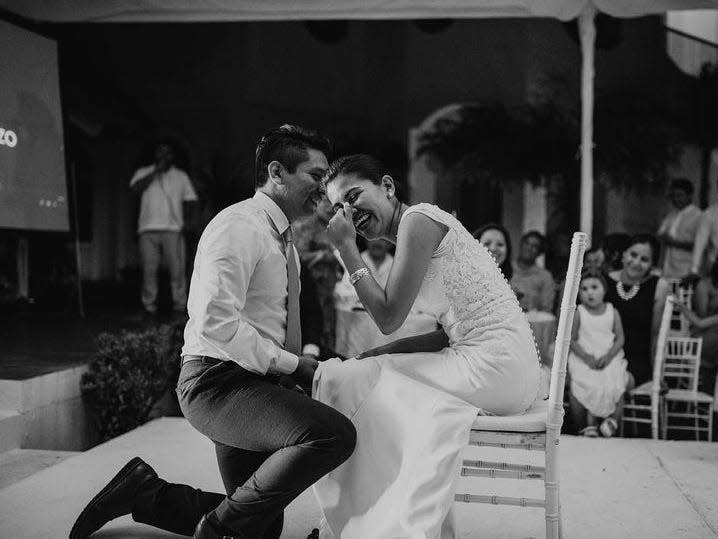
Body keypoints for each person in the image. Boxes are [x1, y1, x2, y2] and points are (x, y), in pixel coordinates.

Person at [70, 125, 356, 539]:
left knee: (261, 529)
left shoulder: (286, 243)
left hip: (256, 383)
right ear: (277, 172)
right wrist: (296, 366)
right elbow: (215, 323)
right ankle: (218, 530)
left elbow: (280, 320)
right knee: (332, 434)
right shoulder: (238, 226)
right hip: (216, 383)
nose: (323, 189)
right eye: (315, 176)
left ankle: (143, 492)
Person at [313, 154, 541, 538]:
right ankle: (369, 513)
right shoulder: (414, 229)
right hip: (498, 362)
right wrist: (377, 355)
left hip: (494, 365)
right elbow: (444, 332)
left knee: (350, 382)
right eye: (339, 208)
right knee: (360, 371)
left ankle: (366, 521)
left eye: (354, 197)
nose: (349, 213)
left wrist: (345, 249)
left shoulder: (417, 221)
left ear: (387, 186)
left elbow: (387, 319)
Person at [129, 140, 198, 315]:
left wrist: (188, 222)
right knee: (149, 270)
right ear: (156, 156)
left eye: (167, 153)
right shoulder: (143, 172)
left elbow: (191, 200)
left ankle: (179, 306)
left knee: (177, 270)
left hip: (172, 229)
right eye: (160, 152)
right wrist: (155, 171)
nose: (163, 156)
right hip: (147, 229)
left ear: (172, 156)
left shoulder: (180, 176)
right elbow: (135, 189)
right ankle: (148, 306)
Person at [568, 271, 630, 438]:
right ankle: (588, 424)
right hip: (585, 356)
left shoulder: (612, 311)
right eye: (584, 289)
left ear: (604, 290)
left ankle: (612, 421)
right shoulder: (579, 312)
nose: (590, 292)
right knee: (587, 382)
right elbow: (572, 340)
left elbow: (620, 338)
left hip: (608, 356)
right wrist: (586, 358)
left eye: (594, 287)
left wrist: (609, 356)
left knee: (617, 381)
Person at [604, 234, 668, 386]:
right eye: (633, 255)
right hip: (604, 355)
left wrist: (657, 373)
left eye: (644, 259)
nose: (636, 262)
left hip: (636, 361)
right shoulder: (604, 281)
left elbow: (656, 334)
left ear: (652, 264)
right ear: (624, 254)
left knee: (612, 385)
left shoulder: (658, 286)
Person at [294, 196, 344, 351]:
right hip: (309, 287)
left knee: (330, 329)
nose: (330, 207)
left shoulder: (336, 226)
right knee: (313, 328)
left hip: (331, 287)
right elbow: (296, 258)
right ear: (317, 202)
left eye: (333, 203)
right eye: (325, 201)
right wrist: (323, 256)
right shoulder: (304, 226)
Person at [673, 256, 718, 397]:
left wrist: (680, 306)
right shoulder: (704, 285)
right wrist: (681, 306)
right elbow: (700, 322)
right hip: (702, 337)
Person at [657, 178, 702, 279]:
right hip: (667, 270)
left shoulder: (698, 216)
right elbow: (661, 235)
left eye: (680, 195)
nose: (676, 199)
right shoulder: (671, 215)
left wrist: (675, 243)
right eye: (673, 196)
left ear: (690, 196)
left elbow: (700, 246)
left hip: (686, 272)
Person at [510, 230, 556, 312]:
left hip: (531, 323)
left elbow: (546, 310)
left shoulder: (545, 277)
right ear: (521, 245)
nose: (529, 248)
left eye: (535, 246)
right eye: (526, 243)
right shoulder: (504, 269)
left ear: (539, 253)